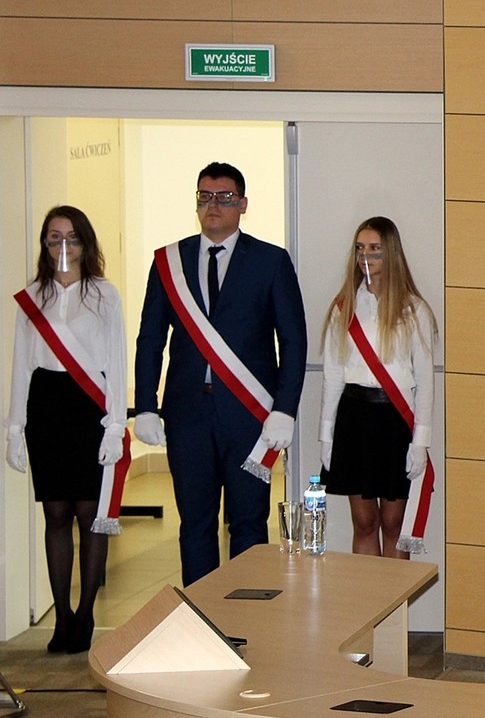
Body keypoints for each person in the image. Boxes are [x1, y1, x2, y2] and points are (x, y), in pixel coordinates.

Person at [133, 162, 307, 585]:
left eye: (224, 198)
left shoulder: (270, 261)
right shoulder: (169, 262)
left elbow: (293, 340)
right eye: (205, 197)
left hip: (249, 418)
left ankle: (245, 615)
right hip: (188, 415)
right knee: (195, 524)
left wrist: (284, 409)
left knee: (248, 524)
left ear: (243, 205)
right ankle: (200, 615)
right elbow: (150, 340)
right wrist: (146, 406)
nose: (213, 206)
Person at [6, 207, 129, 653]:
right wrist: (14, 427)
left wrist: (116, 423)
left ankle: (87, 612)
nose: (64, 245)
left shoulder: (104, 295)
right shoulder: (31, 298)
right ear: (44, 243)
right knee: (55, 515)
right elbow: (21, 366)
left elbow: (117, 360)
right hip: (46, 405)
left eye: (72, 237)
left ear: (85, 243)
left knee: (89, 514)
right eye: (54, 237)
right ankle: (61, 615)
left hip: (89, 407)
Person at [318, 217, 437, 558]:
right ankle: (367, 593)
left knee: (394, 523)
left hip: (395, 420)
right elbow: (333, 375)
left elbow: (425, 382)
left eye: (374, 249)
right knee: (364, 522)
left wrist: (420, 442)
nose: (365, 257)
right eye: (360, 249)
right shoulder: (344, 308)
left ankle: (394, 595)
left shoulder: (415, 311)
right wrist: (326, 436)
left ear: (391, 253)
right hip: (354, 418)